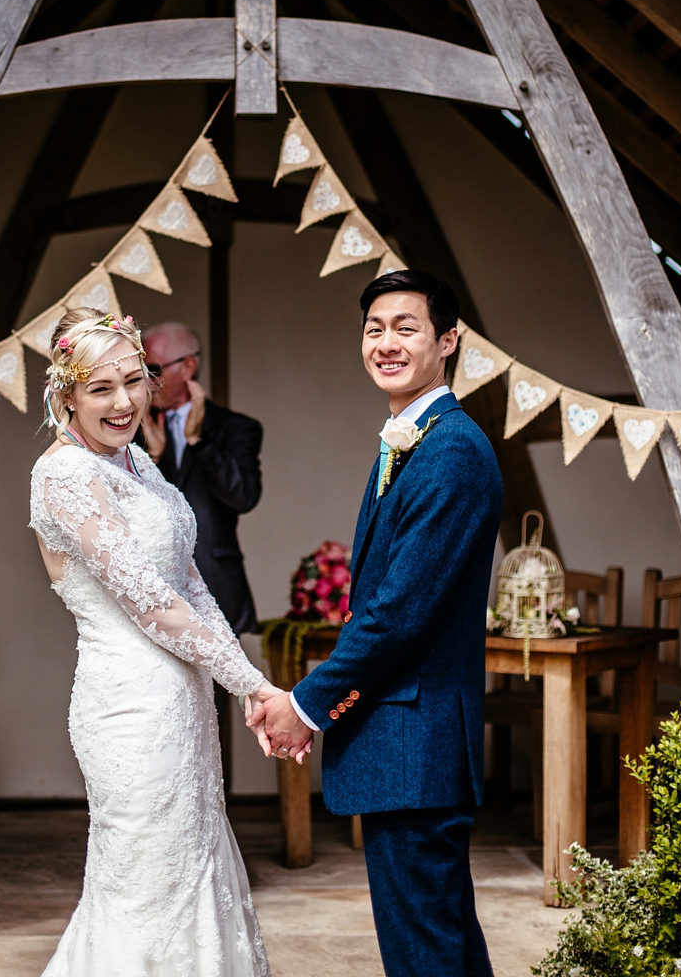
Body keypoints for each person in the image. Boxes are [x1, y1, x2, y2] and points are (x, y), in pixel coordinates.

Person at [248, 270, 503, 977]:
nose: (386, 343)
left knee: (426, 952)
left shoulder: (450, 451)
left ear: (448, 340)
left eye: (406, 327)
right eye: (373, 328)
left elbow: (397, 617)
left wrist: (303, 704)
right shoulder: (409, 439)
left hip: (415, 745)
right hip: (405, 744)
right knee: (438, 943)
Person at [29, 308, 278, 975]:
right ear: (68, 396)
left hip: (183, 701)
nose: (123, 402)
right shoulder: (65, 476)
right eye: (100, 388)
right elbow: (153, 602)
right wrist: (254, 686)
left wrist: (241, 680)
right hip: (129, 705)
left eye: (134, 381)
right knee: (142, 882)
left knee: (196, 864)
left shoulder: (138, 459)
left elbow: (191, 582)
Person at [141, 322, 263, 765]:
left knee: (216, 706)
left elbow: (243, 497)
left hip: (214, 582)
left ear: (188, 366)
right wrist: (152, 459)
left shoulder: (235, 428)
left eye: (153, 367)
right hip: (150, 585)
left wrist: (197, 440)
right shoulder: (128, 428)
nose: (145, 379)